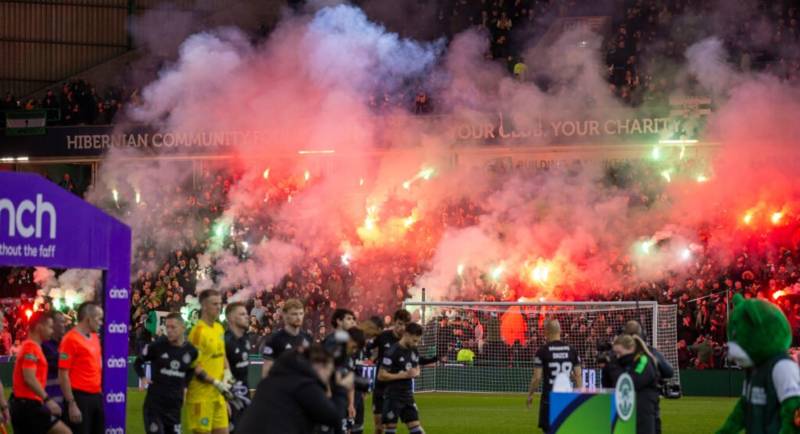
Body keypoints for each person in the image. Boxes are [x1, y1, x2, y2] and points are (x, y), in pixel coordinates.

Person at [237, 344, 354, 434]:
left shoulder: (274, 379)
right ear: (319, 366)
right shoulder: (303, 385)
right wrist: (341, 389)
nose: (329, 377)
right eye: (329, 371)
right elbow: (333, 417)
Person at [134, 312, 198, 434]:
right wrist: (142, 377)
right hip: (154, 406)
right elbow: (138, 362)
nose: (169, 330)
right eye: (167, 327)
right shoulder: (157, 346)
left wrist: (185, 387)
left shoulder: (191, 351)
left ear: (183, 328)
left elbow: (192, 369)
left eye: (173, 327)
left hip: (175, 407)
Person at [10, 311, 71, 434]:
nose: (51, 331)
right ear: (39, 327)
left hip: (25, 405)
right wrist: (48, 400)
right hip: (29, 405)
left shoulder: (33, 347)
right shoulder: (31, 348)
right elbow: (29, 377)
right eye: (49, 327)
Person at [186, 289, 233, 434]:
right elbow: (194, 366)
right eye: (214, 304)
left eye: (220, 303)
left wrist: (227, 375)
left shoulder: (219, 328)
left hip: (218, 396)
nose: (219, 307)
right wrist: (215, 382)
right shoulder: (197, 332)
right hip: (201, 398)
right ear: (204, 306)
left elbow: (222, 355)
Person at [526, 319, 582, 433]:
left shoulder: (542, 351)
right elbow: (578, 375)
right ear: (560, 331)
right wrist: (580, 397)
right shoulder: (572, 350)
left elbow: (537, 377)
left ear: (546, 332)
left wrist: (530, 394)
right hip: (566, 398)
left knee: (549, 430)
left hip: (549, 398)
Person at [58, 302, 104, 434]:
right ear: (88, 319)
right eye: (99, 318)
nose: (101, 322)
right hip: (79, 398)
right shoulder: (70, 339)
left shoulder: (94, 337)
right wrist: (72, 403)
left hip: (96, 396)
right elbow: (63, 374)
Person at [623, 320, 674, 434]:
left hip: (624, 402)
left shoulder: (618, 354)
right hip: (647, 401)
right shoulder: (651, 353)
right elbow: (669, 372)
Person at [377, 322, 426, 434]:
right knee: (390, 429)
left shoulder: (413, 349)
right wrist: (403, 375)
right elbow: (381, 375)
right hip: (393, 396)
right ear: (407, 334)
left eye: (417, 341)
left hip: (408, 395)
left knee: (415, 427)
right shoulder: (392, 351)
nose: (416, 344)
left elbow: (417, 367)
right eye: (414, 340)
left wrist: (415, 373)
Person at [367, 309, 411, 434]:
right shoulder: (383, 336)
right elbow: (368, 347)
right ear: (394, 322)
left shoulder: (407, 341)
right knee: (379, 428)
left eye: (405, 325)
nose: (402, 327)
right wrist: (371, 357)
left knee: (391, 428)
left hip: (396, 390)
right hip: (380, 387)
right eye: (399, 324)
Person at [608, 334, 660, 434]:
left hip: (643, 410)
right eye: (616, 354)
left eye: (620, 353)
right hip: (628, 409)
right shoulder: (624, 363)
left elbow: (633, 382)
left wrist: (614, 367)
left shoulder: (643, 360)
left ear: (631, 348)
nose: (618, 357)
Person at [261, 299, 312, 378]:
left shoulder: (308, 338)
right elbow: (266, 371)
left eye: (301, 314)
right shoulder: (274, 340)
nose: (298, 317)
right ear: (285, 315)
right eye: (294, 314)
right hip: (282, 386)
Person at [224, 301, 252, 432]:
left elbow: (251, 372)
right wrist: (224, 400)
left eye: (246, 314)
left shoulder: (248, 339)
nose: (247, 316)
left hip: (247, 398)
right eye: (242, 314)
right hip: (232, 400)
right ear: (231, 318)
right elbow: (221, 372)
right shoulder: (224, 341)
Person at [42, 311, 66, 407]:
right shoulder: (43, 345)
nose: (64, 324)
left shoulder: (65, 344)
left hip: (63, 397)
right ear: (52, 324)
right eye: (61, 322)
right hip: (49, 398)